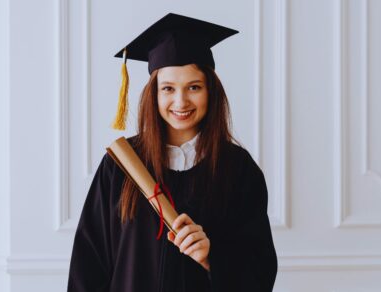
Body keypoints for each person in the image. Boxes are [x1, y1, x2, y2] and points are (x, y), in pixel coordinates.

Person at [67, 13, 278, 292]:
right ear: (153, 94)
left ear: (210, 92)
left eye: (194, 87)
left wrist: (212, 257)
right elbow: (89, 265)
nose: (181, 101)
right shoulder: (121, 165)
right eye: (168, 88)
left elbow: (259, 270)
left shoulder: (238, 169)